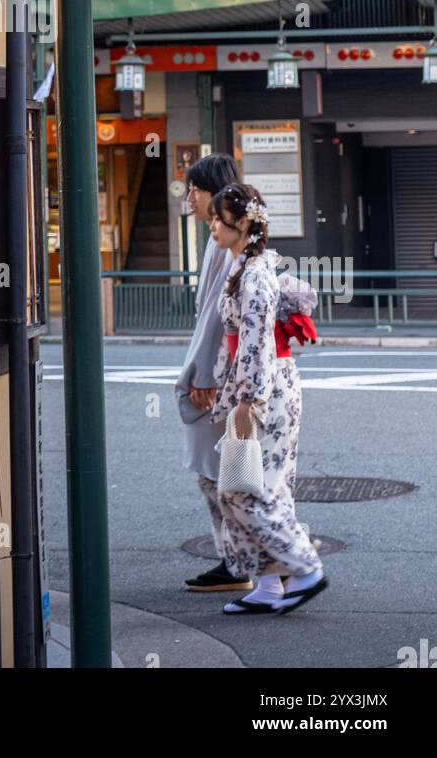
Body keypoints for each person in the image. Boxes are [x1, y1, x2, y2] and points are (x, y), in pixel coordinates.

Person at [208, 183, 327, 615]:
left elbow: (255, 342)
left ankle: (304, 567)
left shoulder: (254, 275)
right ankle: (270, 582)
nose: (211, 224)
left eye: (217, 218)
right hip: (262, 386)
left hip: (265, 391)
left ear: (241, 223)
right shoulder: (245, 267)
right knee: (252, 486)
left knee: (250, 490)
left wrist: (246, 401)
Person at [175, 153, 253, 594]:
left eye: (196, 190)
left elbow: (214, 317)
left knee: (219, 470)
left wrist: (202, 374)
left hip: (221, 380)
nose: (190, 198)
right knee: (223, 470)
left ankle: (242, 559)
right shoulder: (220, 240)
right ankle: (242, 557)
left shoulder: (225, 246)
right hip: (225, 377)